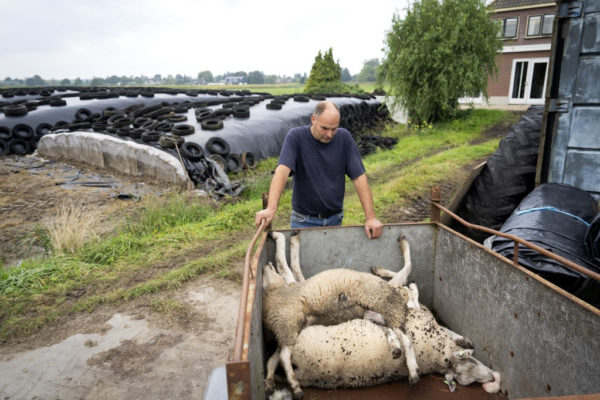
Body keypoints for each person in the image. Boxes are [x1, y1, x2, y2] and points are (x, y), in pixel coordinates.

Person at [255, 100, 383, 239]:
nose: (329, 134)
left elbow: (359, 177)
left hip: (335, 220)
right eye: (324, 128)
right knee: (303, 260)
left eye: (334, 129)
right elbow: (282, 170)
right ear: (313, 119)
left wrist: (371, 217)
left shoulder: (344, 138)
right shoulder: (296, 137)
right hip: (303, 222)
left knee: (330, 260)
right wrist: (271, 208)